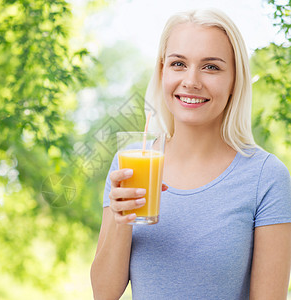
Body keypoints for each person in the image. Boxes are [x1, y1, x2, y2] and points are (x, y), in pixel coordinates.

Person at [90, 8, 291, 300]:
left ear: (235, 79)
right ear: (162, 72)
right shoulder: (130, 164)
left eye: (211, 67)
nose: (191, 81)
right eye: (178, 64)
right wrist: (122, 223)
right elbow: (104, 293)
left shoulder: (266, 177)